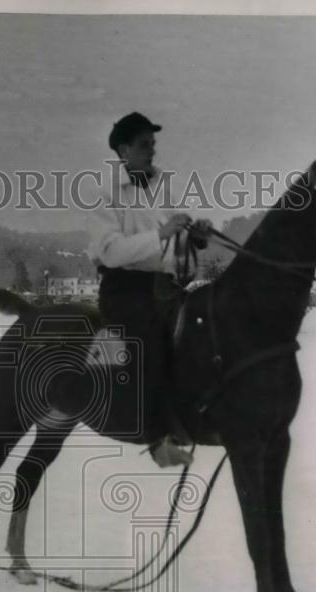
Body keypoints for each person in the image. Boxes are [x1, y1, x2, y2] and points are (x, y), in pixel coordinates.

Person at [86, 112, 212, 467]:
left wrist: (195, 236)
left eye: (153, 144)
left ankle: (192, 416)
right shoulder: (104, 191)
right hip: (125, 291)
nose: (152, 151)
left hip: (165, 288)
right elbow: (109, 252)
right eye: (144, 145)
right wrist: (161, 233)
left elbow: (175, 237)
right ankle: (158, 440)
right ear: (124, 149)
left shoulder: (162, 185)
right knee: (153, 343)